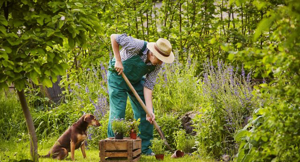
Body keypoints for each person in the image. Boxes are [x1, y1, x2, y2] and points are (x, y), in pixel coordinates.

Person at [107, 33, 174, 155]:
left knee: (147, 112)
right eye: (160, 59)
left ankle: (144, 148)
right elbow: (113, 37)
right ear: (153, 53)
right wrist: (118, 60)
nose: (160, 63)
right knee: (118, 113)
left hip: (135, 80)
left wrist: (149, 110)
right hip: (117, 77)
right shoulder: (137, 46)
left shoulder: (157, 64)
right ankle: (113, 148)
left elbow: (148, 86)